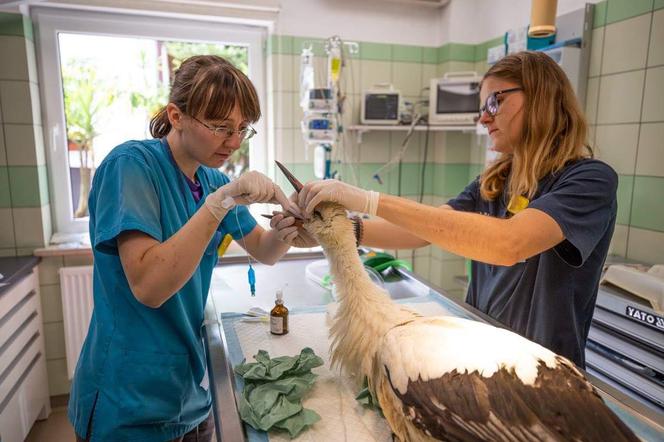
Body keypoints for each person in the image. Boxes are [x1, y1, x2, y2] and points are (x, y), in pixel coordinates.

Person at [271, 51, 617, 368]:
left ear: (542, 98)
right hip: (487, 351)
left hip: (546, 369)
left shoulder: (589, 181)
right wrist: (339, 232)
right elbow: (424, 231)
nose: (483, 118)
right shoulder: (495, 180)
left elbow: (510, 244)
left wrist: (367, 199)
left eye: (495, 102)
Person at [68, 55, 294, 441]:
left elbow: (265, 250)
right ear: (176, 115)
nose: (235, 142)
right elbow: (150, 286)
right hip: (128, 397)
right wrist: (220, 202)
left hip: (187, 391)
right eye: (222, 127)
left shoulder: (210, 180)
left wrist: (290, 224)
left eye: (243, 129)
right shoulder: (132, 166)